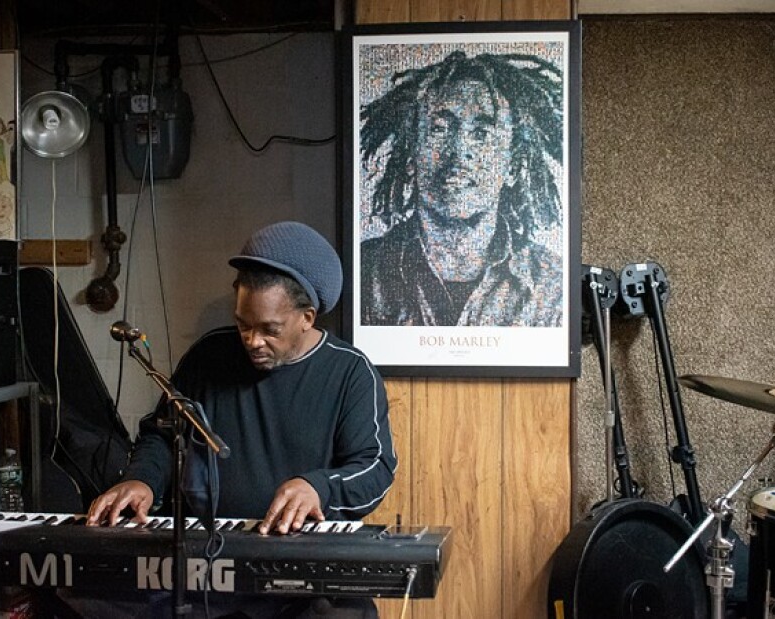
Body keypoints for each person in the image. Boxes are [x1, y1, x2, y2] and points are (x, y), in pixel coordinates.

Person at [86, 221, 396, 618]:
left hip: (300, 567)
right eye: (243, 325)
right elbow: (162, 436)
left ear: (307, 317)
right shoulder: (209, 356)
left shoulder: (350, 372)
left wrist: (318, 487)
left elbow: (375, 468)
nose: (252, 341)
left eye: (269, 330)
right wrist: (142, 479)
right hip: (205, 563)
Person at [359, 50, 565, 327]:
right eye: (440, 129)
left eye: (481, 134)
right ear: (410, 155)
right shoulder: (365, 271)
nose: (458, 152)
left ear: (513, 166)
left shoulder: (552, 286)